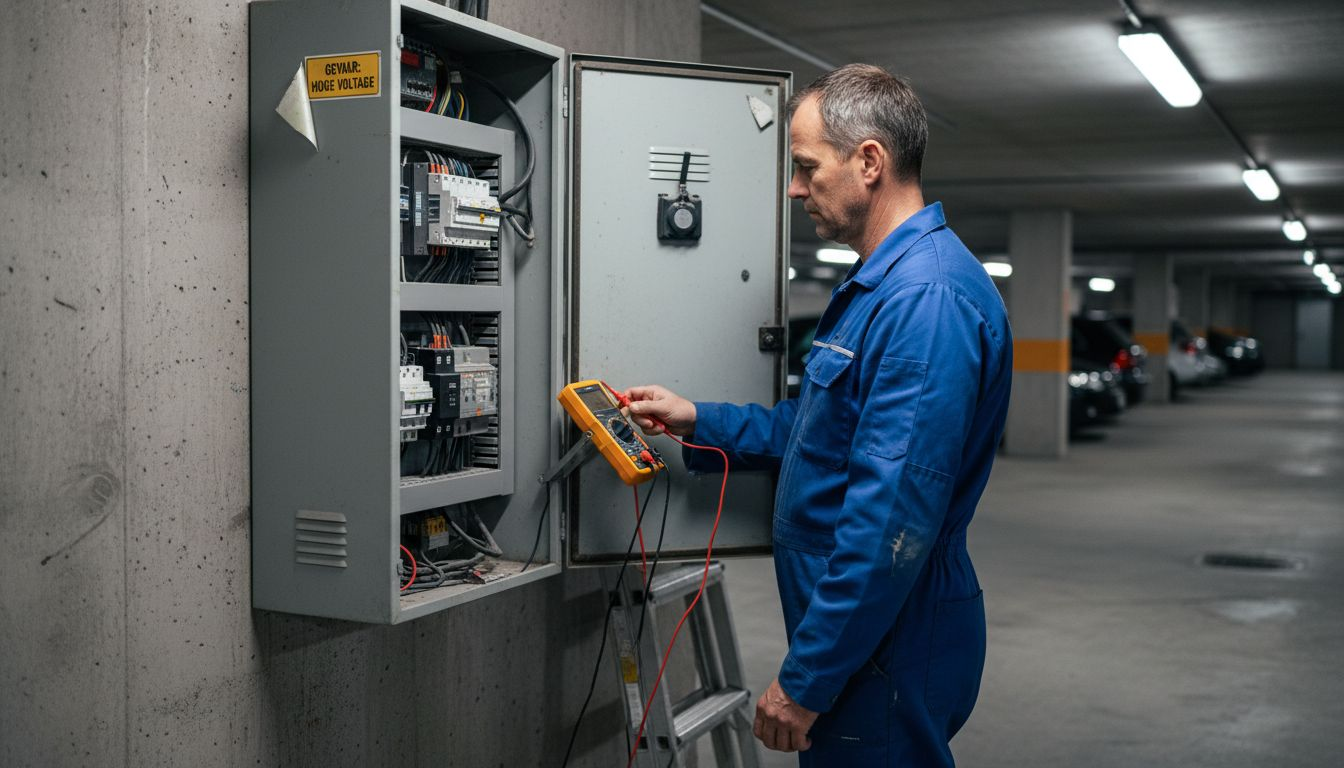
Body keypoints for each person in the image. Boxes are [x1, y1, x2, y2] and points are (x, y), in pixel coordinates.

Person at [625, 64, 1012, 766]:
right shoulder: (880, 287)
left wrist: (806, 682)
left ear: (869, 161)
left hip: (888, 637)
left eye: (806, 167)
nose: (795, 188)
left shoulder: (923, 301)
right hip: (871, 633)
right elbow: (816, 431)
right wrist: (696, 419)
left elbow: (891, 520)